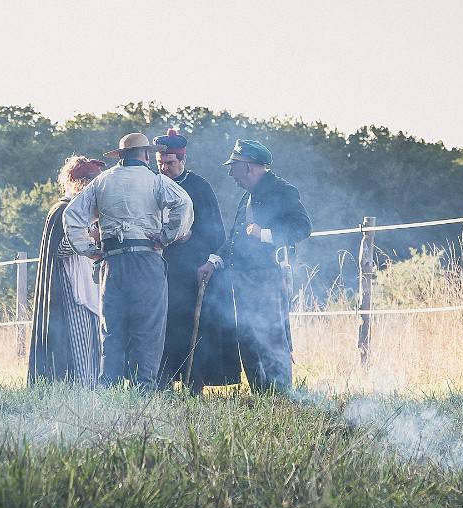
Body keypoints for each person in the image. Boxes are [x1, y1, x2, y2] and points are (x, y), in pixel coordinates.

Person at [63, 132, 192, 390]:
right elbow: (184, 205)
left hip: (112, 262)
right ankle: (143, 387)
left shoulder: (101, 182)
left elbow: (72, 216)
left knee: (112, 329)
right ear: (145, 155)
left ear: (121, 155)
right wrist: (166, 237)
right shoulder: (155, 180)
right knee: (148, 328)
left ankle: (109, 387)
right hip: (146, 259)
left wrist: (89, 250)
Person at [153, 128, 241, 391]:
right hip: (161, 270)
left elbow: (214, 232)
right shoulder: (152, 186)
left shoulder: (199, 187)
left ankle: (195, 384)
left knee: (195, 326)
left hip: (192, 270)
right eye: (160, 163)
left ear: (182, 160)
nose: (164, 168)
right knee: (163, 327)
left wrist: (191, 235)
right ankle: (163, 383)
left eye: (169, 163)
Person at [221, 139, 312, 392]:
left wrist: (265, 234)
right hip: (243, 278)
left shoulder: (282, 191)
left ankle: (281, 396)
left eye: (234, 167)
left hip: (267, 278)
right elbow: (235, 237)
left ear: (248, 167)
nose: (231, 174)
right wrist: (215, 260)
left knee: (271, 337)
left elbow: (302, 228)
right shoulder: (247, 197)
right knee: (248, 337)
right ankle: (261, 395)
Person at [27, 155, 106, 386]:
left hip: (89, 285)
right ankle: (81, 389)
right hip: (70, 289)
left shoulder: (87, 211)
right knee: (79, 344)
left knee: (94, 343)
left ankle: (93, 390)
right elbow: (60, 249)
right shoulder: (63, 210)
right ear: (80, 183)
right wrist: (91, 236)